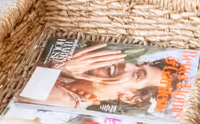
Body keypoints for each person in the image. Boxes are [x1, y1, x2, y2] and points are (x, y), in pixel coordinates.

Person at [35, 43, 187, 118]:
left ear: (129, 97)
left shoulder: (65, 101)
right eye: (138, 65)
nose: (127, 65)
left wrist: (59, 67)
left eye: (137, 75)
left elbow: (15, 84)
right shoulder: (79, 61)